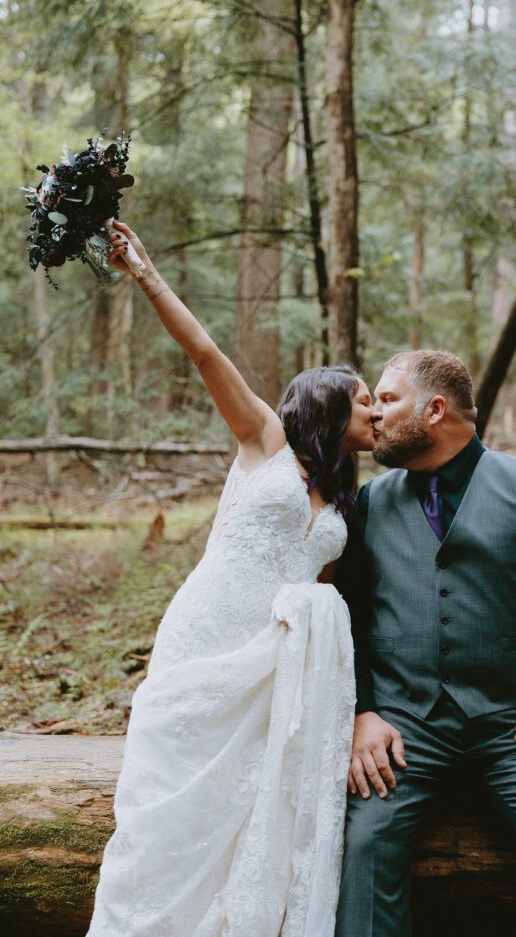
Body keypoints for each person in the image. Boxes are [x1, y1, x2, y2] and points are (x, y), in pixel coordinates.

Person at [86, 221, 375, 937]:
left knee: (251, 813)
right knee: (171, 810)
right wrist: (147, 276)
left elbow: (322, 592)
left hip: (275, 667)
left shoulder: (342, 499)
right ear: (330, 403)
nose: (374, 409)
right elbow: (205, 351)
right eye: (364, 397)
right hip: (208, 634)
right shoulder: (265, 441)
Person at [335, 349, 516, 937]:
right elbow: (345, 618)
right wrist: (362, 710)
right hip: (403, 728)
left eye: (388, 399)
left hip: (515, 725)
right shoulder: (370, 504)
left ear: (435, 410)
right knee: (363, 843)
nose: (373, 414)